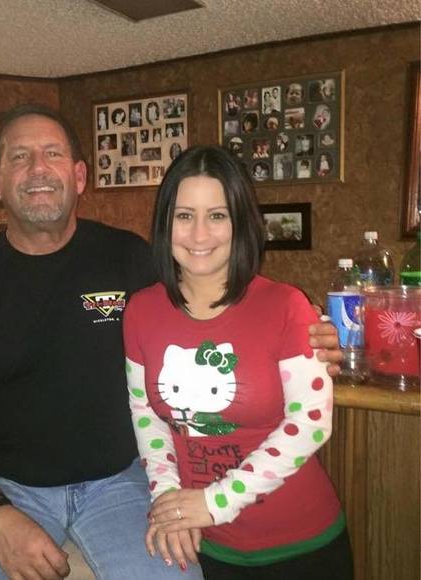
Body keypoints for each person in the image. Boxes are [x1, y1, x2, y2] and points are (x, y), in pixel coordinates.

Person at [0, 106, 342, 580]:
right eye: (19, 157)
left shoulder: (130, 259)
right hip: (8, 488)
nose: (38, 168)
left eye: (52, 153)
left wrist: (311, 329)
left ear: (79, 176)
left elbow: (211, 298)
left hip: (122, 482)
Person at [123, 145, 352, 580]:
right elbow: (146, 413)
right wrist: (170, 502)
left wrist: (215, 502)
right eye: (184, 215)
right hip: (205, 547)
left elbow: (310, 422)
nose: (199, 235)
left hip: (301, 546)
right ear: (165, 222)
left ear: (240, 223)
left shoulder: (288, 305)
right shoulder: (140, 311)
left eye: (217, 215)